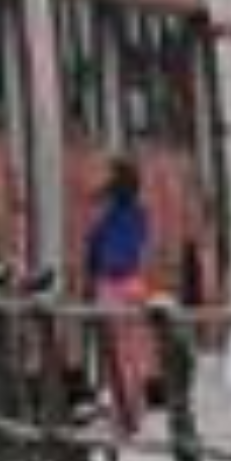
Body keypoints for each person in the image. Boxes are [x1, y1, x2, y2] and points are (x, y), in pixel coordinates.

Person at [82, 155, 154, 438]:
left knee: (115, 352)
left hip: (110, 285)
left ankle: (123, 415)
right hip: (135, 283)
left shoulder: (106, 213)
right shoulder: (140, 212)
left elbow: (94, 248)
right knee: (133, 352)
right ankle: (134, 409)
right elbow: (142, 245)